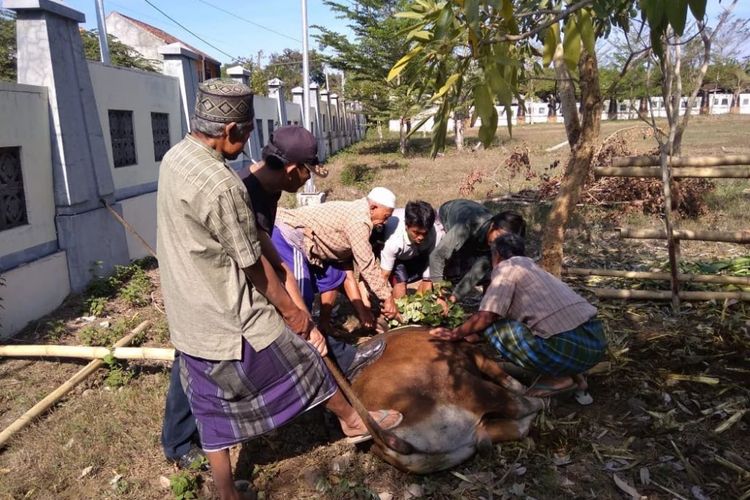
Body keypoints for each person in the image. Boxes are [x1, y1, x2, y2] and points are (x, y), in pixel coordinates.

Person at [157, 79, 401, 499]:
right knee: (303, 358)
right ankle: (353, 420)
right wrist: (292, 311)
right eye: (247, 133)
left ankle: (223, 488)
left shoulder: (178, 157)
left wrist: (287, 276)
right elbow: (252, 264)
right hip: (224, 306)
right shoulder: (226, 185)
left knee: (211, 404)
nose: (249, 143)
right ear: (231, 131)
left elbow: (258, 239)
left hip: (189, 304)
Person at [429, 233, 607, 397]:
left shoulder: (506, 269)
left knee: (494, 330)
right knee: (544, 329)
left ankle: (558, 379)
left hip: (567, 347)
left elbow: (487, 316)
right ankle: (576, 376)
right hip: (595, 340)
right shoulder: (533, 267)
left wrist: (455, 333)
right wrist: (473, 333)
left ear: (496, 254)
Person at [273, 187, 400, 330]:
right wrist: (387, 298)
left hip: (312, 243)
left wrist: (363, 313)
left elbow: (347, 274)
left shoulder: (359, 212)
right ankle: (301, 336)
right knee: (301, 295)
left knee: (335, 276)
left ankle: (324, 327)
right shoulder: (359, 222)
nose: (385, 222)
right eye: (385, 216)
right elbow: (367, 266)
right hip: (288, 235)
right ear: (373, 207)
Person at [429, 199, 525, 302]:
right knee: (439, 262)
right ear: (492, 226)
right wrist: (440, 296)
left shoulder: (497, 242)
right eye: (498, 236)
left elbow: (478, 271)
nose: (498, 242)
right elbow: (437, 256)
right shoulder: (468, 225)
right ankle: (426, 300)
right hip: (446, 216)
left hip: (475, 233)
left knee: (489, 269)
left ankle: (487, 302)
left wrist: (454, 297)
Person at [379, 200, 439, 299]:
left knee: (430, 278)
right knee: (401, 285)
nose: (421, 237)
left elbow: (433, 260)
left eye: (424, 233)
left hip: (417, 252)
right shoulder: (394, 242)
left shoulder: (434, 232)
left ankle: (419, 303)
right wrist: (386, 300)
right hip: (397, 255)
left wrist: (427, 280)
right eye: (416, 232)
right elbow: (384, 275)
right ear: (406, 226)